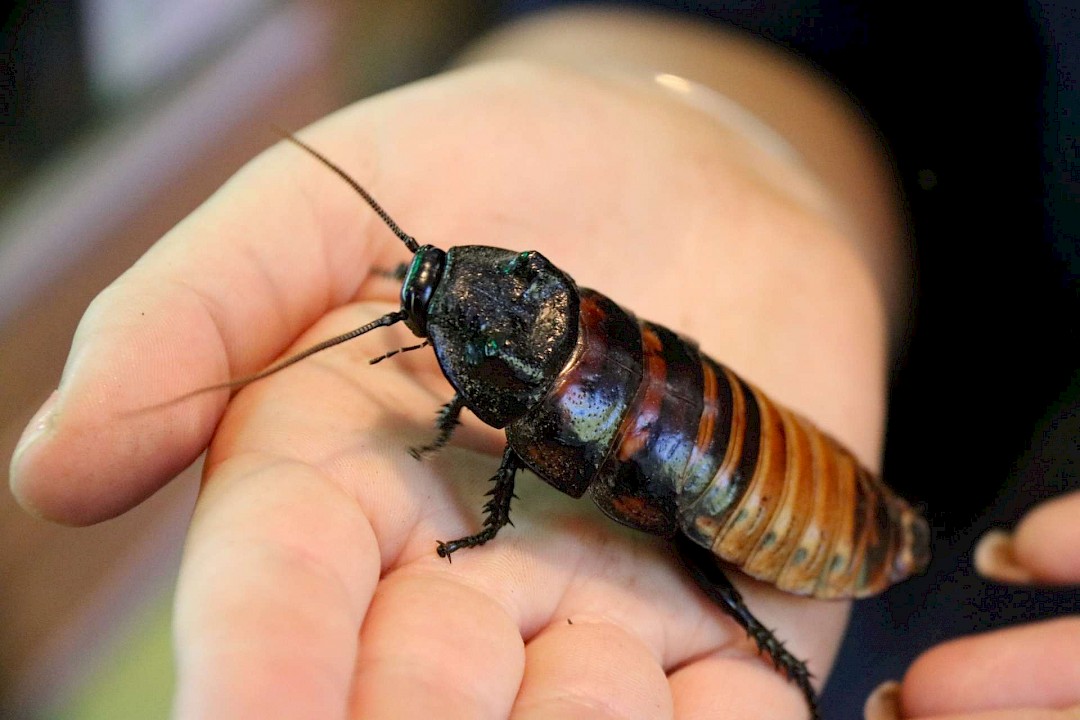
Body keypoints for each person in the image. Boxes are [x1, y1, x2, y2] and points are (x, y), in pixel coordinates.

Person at [9, 8, 1078, 719]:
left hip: (896, 520)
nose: (418, 292)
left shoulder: (524, 403)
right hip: (932, 408)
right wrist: (725, 106)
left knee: (703, 556)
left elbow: (516, 438)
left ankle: (780, 641)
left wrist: (478, 502)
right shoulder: (529, 350)